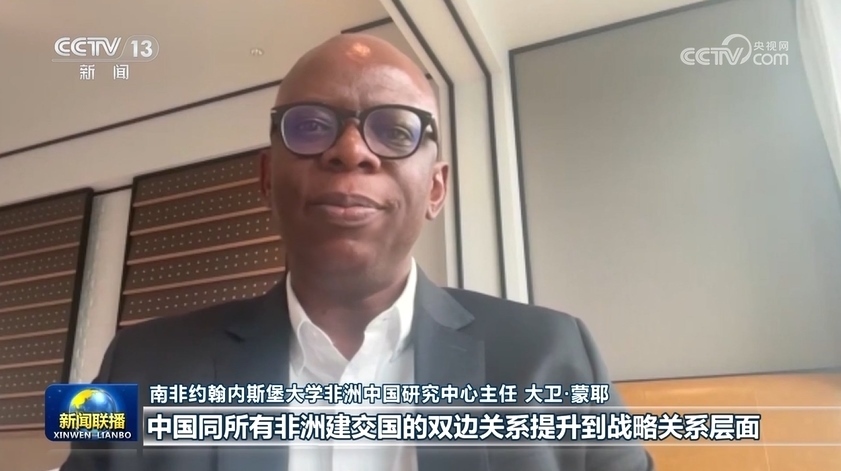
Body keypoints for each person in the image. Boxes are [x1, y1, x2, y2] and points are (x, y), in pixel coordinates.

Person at [60, 33, 654, 471]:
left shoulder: (556, 356)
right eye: (310, 126)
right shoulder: (137, 365)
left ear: (436, 189)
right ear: (266, 179)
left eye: (395, 131)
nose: (350, 151)